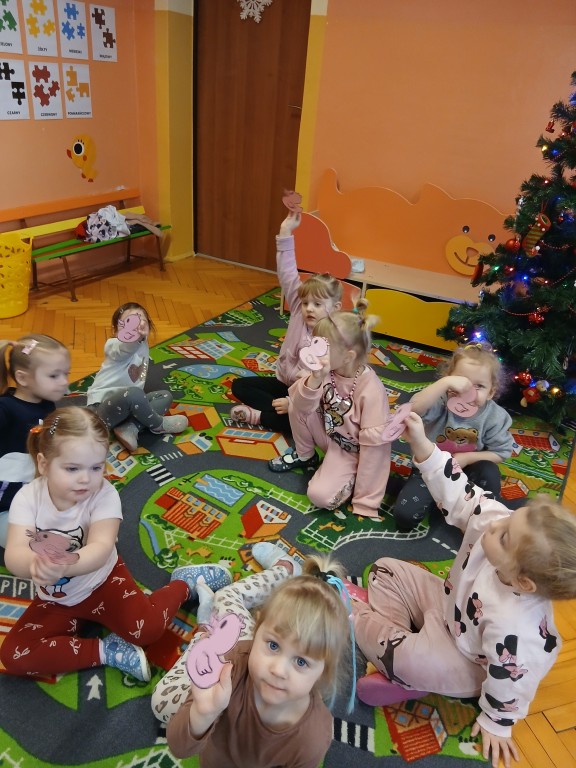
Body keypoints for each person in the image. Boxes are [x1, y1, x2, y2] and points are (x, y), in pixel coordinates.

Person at [352, 411, 576, 768]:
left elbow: (513, 682)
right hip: (446, 608)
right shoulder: (499, 523)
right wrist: (422, 444)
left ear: (523, 581)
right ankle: (401, 664)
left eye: (505, 536)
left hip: (465, 659)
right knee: (385, 568)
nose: (496, 523)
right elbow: (460, 494)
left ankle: (363, 624)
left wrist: (497, 723)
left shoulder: (519, 630)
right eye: (510, 516)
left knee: (408, 657)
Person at [0, 406, 232, 681]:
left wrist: (63, 566)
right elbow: (14, 553)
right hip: (58, 599)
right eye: (72, 468)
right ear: (43, 464)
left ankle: (185, 583)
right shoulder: (27, 498)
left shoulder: (104, 494)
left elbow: (101, 548)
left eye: (96, 467)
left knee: (148, 630)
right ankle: (108, 650)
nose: (86, 478)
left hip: (104, 582)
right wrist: (33, 565)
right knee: (13, 655)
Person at [152, 543, 352, 768]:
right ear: (258, 629)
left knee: (162, 702)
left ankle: (207, 628)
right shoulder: (230, 664)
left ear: (324, 670)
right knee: (224, 596)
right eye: (274, 646)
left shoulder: (313, 737)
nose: (278, 670)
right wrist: (203, 713)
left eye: (301, 661)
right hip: (238, 638)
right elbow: (179, 747)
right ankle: (283, 570)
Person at [269, 304, 391, 519]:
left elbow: (376, 449)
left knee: (319, 496)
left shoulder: (370, 390)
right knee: (298, 401)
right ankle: (305, 456)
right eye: (315, 343)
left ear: (348, 357)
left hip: (352, 451)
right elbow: (300, 406)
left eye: (322, 347)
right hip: (329, 434)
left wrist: (365, 500)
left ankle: (350, 478)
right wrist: (315, 379)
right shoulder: (327, 369)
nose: (313, 352)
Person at [230, 211, 343, 433]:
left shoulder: (336, 337)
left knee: (309, 421)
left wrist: (293, 402)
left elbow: (330, 387)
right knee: (239, 385)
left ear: (335, 308)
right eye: (306, 303)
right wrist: (285, 232)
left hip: (310, 396)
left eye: (318, 304)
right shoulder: (298, 312)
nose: (309, 308)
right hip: (284, 384)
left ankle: (262, 416)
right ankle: (283, 413)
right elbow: (288, 273)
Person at [393, 342, 513, 530]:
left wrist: (467, 458)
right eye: (461, 382)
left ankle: (485, 514)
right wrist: (444, 384)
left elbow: (502, 452)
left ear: (491, 392)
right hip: (431, 468)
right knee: (404, 518)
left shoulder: (495, 417)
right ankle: (441, 500)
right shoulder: (440, 401)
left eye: (479, 386)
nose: (469, 392)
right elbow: (413, 409)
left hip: (469, 473)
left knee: (489, 470)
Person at [86, 302, 188, 452]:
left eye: (140, 321)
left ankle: (130, 428)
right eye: (128, 324)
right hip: (101, 409)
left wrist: (140, 339)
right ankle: (158, 425)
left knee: (165, 396)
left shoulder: (143, 345)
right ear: (115, 330)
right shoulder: (114, 345)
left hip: (127, 409)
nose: (135, 327)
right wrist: (135, 338)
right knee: (135, 394)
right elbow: (125, 348)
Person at [0, 334, 70, 548]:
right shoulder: (6, 409)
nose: (64, 382)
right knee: (27, 542)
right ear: (22, 378)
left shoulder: (46, 403)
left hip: (35, 487)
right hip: (6, 503)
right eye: (54, 375)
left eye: (66, 374)